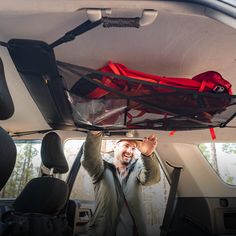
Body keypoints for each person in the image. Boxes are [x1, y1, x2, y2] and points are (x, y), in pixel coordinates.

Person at [82, 131, 161, 236]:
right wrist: (94, 134)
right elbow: (90, 160)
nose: (130, 151)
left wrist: (148, 154)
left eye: (133, 148)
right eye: (126, 146)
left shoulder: (137, 168)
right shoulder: (101, 168)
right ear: (115, 146)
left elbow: (152, 179)